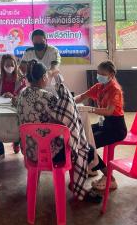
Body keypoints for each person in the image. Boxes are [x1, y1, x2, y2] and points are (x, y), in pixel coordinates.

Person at [15, 60, 101, 203]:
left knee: (74, 142)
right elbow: (67, 115)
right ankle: (77, 186)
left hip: (30, 151)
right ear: (43, 77)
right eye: (47, 76)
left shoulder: (22, 95)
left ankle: (75, 185)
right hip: (50, 153)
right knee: (82, 148)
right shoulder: (48, 97)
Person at [74, 60, 127, 191]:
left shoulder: (115, 90)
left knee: (87, 146)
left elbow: (109, 111)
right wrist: (69, 102)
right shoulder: (99, 87)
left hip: (116, 127)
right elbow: (83, 96)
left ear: (111, 75)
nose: (99, 76)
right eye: (98, 73)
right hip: (105, 123)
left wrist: (89, 109)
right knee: (84, 135)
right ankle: (92, 166)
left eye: (102, 74)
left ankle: (110, 179)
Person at [0, 54, 26, 161]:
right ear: (2, 66)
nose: (9, 67)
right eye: (7, 65)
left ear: (15, 65)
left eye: (12, 64)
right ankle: (0, 150)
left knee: (19, 122)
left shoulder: (20, 79)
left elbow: (24, 93)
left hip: (14, 107)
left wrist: (14, 96)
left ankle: (16, 142)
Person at [21, 29, 63, 94]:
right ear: (32, 42)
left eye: (41, 42)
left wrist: (46, 75)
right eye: (36, 43)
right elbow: (22, 68)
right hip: (34, 85)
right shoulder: (28, 52)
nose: (38, 44)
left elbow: (55, 69)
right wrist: (21, 75)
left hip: (52, 84)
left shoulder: (53, 50)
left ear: (46, 40)